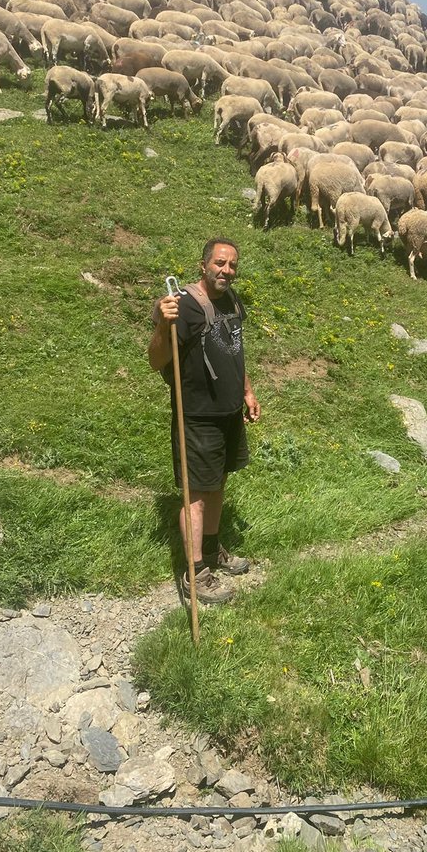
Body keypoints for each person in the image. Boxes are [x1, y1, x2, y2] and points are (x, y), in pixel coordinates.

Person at [148, 239, 260, 604]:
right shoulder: (184, 306)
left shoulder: (231, 300)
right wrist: (161, 327)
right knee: (196, 494)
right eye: (220, 263)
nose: (227, 270)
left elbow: (235, 348)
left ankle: (211, 551)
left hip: (228, 412)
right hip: (197, 414)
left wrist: (247, 391)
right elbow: (156, 360)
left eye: (232, 265)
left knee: (217, 484)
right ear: (203, 265)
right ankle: (194, 573)